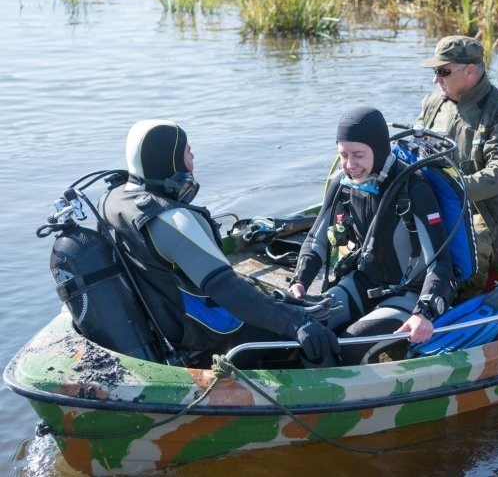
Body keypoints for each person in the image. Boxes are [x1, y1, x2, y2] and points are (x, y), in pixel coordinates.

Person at [100, 119, 339, 368]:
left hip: (167, 326)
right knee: (321, 322)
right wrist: (297, 324)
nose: (193, 158)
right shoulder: (173, 221)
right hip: (208, 339)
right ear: (169, 161)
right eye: (187, 152)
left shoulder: (114, 200)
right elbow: (228, 290)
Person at [289, 106, 457, 365]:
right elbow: (316, 240)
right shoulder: (342, 184)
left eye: (358, 155)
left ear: (379, 150)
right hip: (363, 282)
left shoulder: (414, 188)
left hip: (408, 293)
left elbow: (440, 263)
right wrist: (299, 282)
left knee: (347, 347)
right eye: (343, 155)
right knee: (304, 330)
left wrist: (423, 313)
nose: (350, 165)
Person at [416, 35, 498, 296]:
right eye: (435, 71)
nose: (436, 79)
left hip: (487, 215)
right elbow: (416, 147)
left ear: (469, 71)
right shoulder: (433, 103)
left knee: (468, 244)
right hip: (438, 200)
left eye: (443, 71)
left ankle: (460, 302)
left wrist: (449, 189)